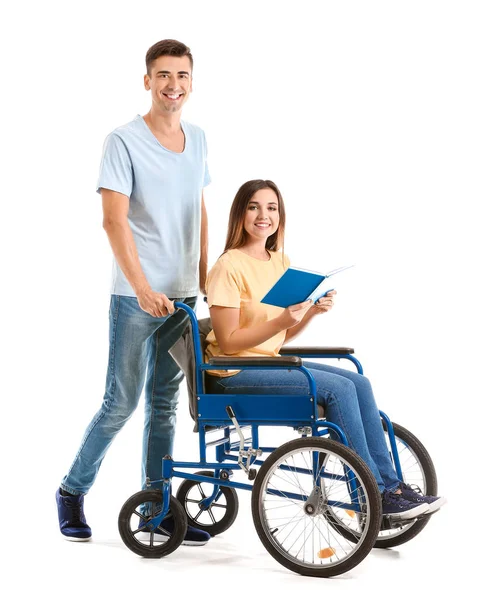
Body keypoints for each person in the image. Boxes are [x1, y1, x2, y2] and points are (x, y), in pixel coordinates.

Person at [204, 179, 446, 521]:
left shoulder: (279, 261)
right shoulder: (228, 266)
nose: (264, 215)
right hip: (231, 372)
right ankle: (373, 492)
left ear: (280, 216)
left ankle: (391, 487)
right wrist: (281, 321)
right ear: (240, 214)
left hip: (266, 361)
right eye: (254, 207)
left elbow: (279, 336)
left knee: (359, 383)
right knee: (339, 389)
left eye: (272, 208)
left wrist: (310, 313)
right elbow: (228, 342)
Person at [56, 40, 211, 546]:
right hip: (135, 297)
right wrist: (142, 288)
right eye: (163, 75)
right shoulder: (122, 141)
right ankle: (71, 491)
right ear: (147, 81)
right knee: (120, 402)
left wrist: (205, 276)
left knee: (164, 404)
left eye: (182, 75)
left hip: (183, 297)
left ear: (192, 81)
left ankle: (157, 508)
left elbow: (199, 210)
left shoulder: (200, 139)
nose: (173, 85)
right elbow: (113, 220)